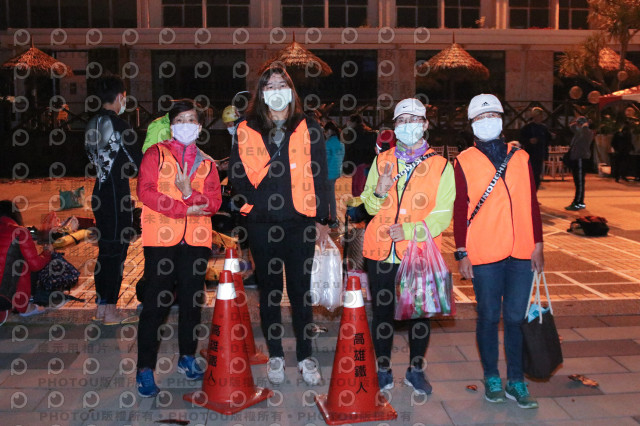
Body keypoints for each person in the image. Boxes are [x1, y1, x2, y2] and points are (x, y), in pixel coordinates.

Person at [229, 65, 329, 386]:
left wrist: (324, 219)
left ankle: (305, 355)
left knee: (301, 292)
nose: (276, 90)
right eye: (269, 85)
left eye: (281, 84)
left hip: (300, 222)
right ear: (261, 93)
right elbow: (236, 175)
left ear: (291, 90)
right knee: (270, 292)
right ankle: (275, 354)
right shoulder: (247, 127)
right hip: (262, 225)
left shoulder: (308, 126)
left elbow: (320, 174)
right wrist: (253, 205)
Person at [453, 94, 544, 409]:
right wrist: (461, 251)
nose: (487, 121)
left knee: (516, 318)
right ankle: (492, 376)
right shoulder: (463, 160)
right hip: (484, 251)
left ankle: (516, 381)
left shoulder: (520, 156)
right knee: (490, 316)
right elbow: (459, 208)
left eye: (492, 115)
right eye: (480, 117)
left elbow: (532, 202)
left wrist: (538, 244)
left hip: (521, 250)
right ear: (472, 124)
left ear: (502, 119)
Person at [361, 98, 455, 395]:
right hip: (380, 251)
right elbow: (367, 206)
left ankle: (416, 370)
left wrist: (410, 230)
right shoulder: (382, 160)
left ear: (425, 124)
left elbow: (443, 215)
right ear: (394, 127)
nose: (407, 125)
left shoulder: (441, 166)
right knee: (382, 313)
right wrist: (379, 190)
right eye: (401, 120)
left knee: (420, 314)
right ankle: (383, 369)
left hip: (418, 252)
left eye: (414, 119)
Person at [135, 99, 222, 397]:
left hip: (196, 243)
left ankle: (187, 357)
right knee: (154, 306)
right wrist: (182, 208)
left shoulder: (208, 163)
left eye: (192, 120)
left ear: (199, 126)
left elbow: (214, 202)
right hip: (161, 241)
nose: (186, 124)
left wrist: (189, 193)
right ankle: (145, 369)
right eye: (180, 120)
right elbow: (145, 191)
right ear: (172, 126)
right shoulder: (155, 154)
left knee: (191, 303)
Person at [85, 74, 142, 325]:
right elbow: (137, 162)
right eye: (124, 97)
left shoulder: (91, 123)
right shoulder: (120, 126)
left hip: (99, 192)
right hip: (117, 195)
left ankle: (101, 307)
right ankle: (110, 310)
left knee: (105, 250)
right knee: (117, 252)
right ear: (120, 97)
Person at [0, 200, 53, 322]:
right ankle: (24, 306)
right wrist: (47, 253)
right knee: (27, 263)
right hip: (6, 296)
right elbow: (36, 265)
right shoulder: (20, 232)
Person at [519, 107, 552, 191]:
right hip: (530, 154)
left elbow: (547, 140)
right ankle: (529, 194)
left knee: (537, 176)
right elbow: (521, 139)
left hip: (539, 154)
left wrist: (552, 137)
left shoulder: (544, 128)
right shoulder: (528, 127)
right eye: (538, 115)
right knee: (531, 175)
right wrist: (529, 141)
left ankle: (534, 194)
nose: (540, 117)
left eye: (541, 115)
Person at [565, 116, 594, 210]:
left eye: (578, 123)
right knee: (578, 182)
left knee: (580, 182)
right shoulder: (578, 133)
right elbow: (571, 127)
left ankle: (578, 202)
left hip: (581, 159)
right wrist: (577, 123)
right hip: (576, 159)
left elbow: (584, 130)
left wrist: (585, 125)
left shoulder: (587, 132)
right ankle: (579, 202)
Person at [324, 121, 345, 228]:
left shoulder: (328, 143)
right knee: (330, 196)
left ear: (329, 131)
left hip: (328, 173)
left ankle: (332, 218)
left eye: (325, 131)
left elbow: (324, 159)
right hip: (336, 172)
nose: (325, 133)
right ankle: (332, 217)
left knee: (329, 197)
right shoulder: (340, 143)